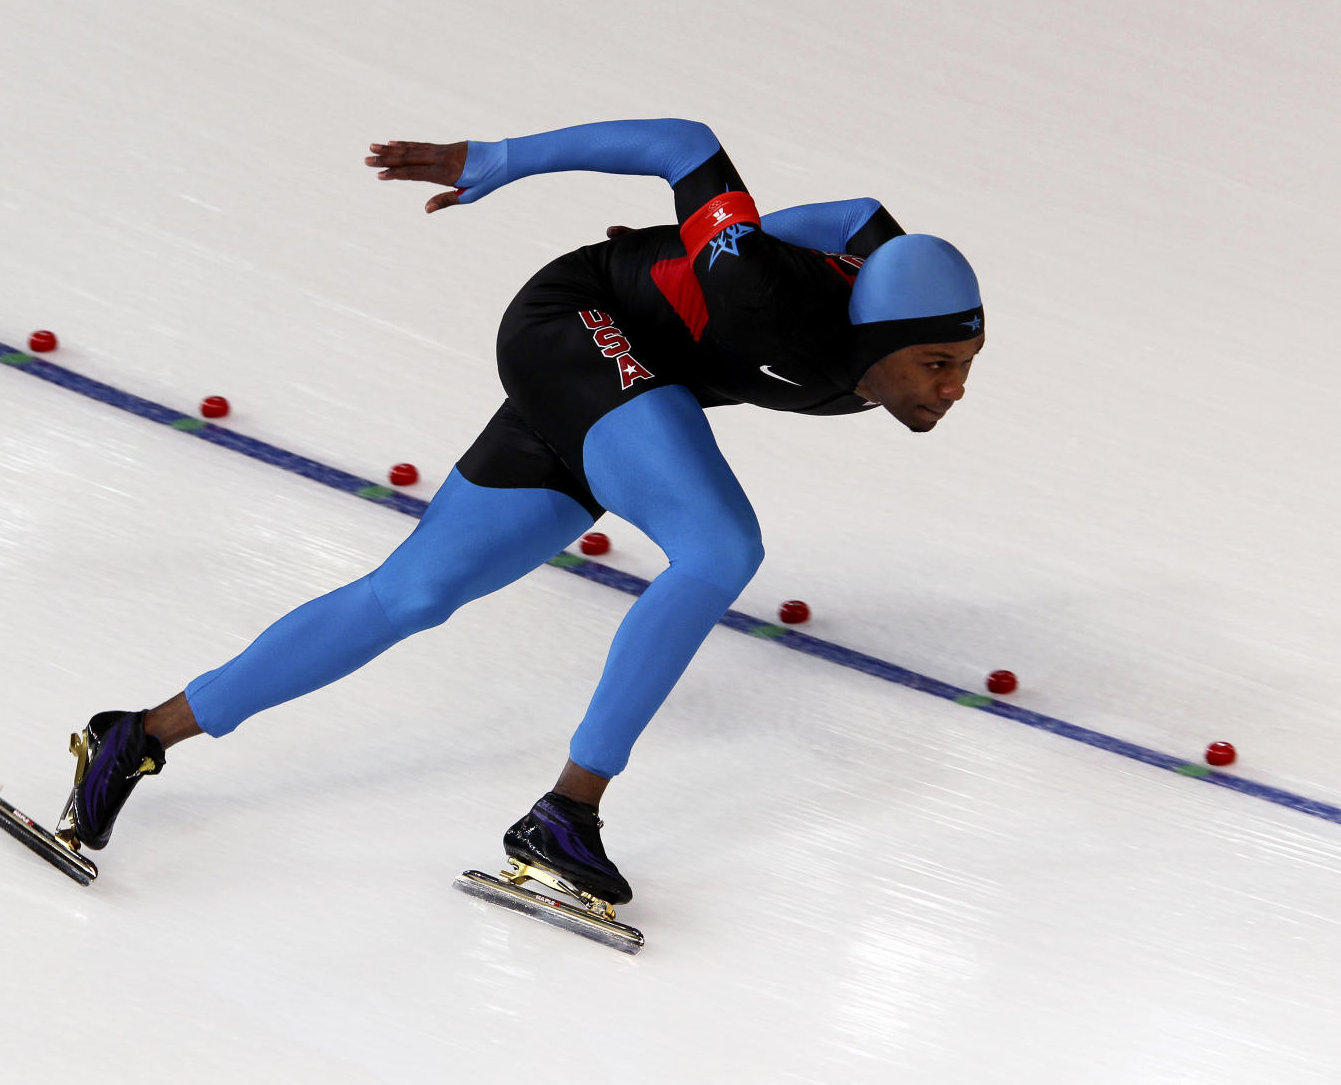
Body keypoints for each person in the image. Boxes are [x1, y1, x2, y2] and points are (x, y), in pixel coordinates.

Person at [56, 118, 985, 911]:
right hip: (579, 327)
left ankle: (136, 734)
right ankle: (568, 813)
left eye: (965, 364)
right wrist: (502, 157)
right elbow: (686, 145)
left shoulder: (878, 253)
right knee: (720, 547)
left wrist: (688, 250)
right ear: (878, 337)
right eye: (936, 364)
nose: (953, 389)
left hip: (631, 381)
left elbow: (842, 219)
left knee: (413, 593)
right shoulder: (770, 297)